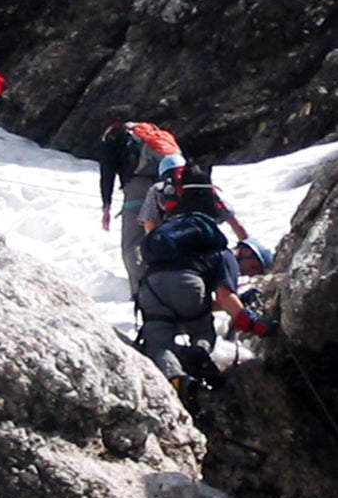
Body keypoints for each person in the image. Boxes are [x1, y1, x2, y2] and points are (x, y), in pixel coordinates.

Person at [137, 226, 276, 409]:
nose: (249, 273)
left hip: (150, 286)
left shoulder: (193, 254)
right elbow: (223, 295)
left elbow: (200, 303)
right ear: (246, 251)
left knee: (159, 343)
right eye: (253, 267)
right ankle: (198, 359)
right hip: (187, 284)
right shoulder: (227, 257)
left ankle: (177, 379)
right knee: (203, 331)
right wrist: (252, 323)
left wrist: (238, 302)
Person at [99, 121, 183, 296]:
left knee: (132, 243)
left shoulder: (114, 138)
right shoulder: (153, 133)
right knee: (165, 238)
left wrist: (106, 206)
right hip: (169, 187)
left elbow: (107, 172)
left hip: (138, 190)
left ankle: (142, 293)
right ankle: (171, 286)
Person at [139, 159, 249, 240]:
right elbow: (235, 222)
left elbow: (150, 223)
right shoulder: (206, 187)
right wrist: (247, 245)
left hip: (177, 237)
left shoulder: (158, 188)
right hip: (209, 236)